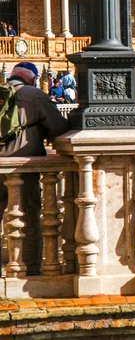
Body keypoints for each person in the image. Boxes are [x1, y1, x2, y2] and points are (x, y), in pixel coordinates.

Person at [0, 62, 69, 275]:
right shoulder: (34, 94)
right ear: (32, 78)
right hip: (21, 167)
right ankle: (29, 268)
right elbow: (58, 128)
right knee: (28, 216)